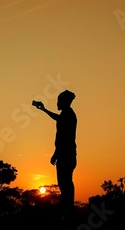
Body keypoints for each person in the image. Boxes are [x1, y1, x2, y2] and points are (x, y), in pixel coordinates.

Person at [33, 90, 77, 220]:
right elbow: (57, 118)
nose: (57, 103)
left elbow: (64, 139)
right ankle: (67, 213)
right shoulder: (67, 114)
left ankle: (67, 213)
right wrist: (44, 109)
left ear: (64, 102)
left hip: (65, 155)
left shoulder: (68, 115)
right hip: (67, 154)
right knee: (66, 184)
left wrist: (55, 154)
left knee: (65, 184)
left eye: (59, 101)